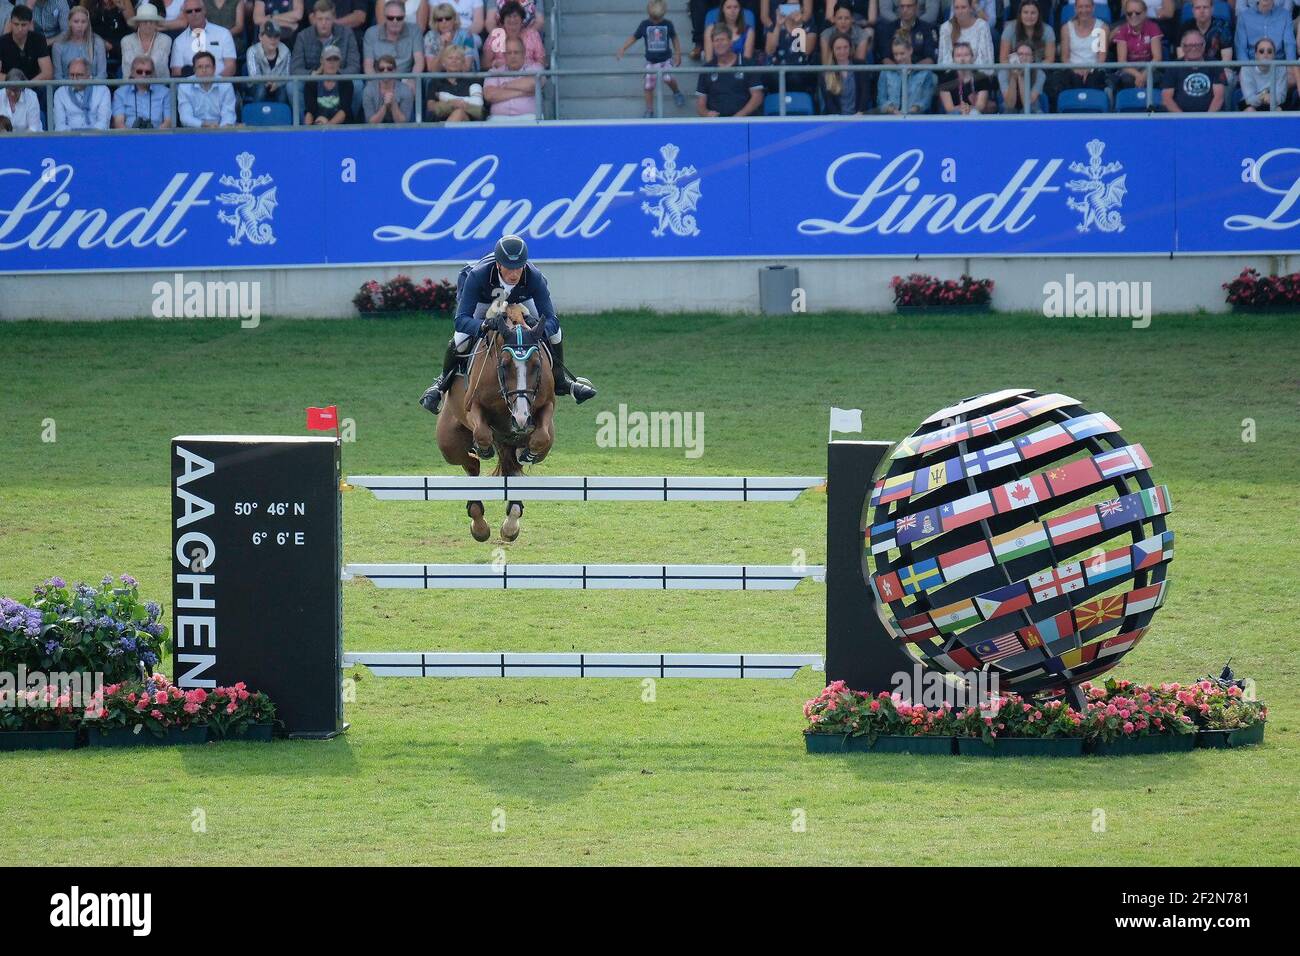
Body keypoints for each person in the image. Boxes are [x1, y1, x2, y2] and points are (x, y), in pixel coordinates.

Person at [420, 235, 597, 415]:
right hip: (485, 301)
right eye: (509, 268)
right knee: (460, 339)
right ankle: (440, 385)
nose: (514, 274)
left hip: (520, 300)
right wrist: (484, 325)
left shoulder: (534, 277)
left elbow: (552, 320)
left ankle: (561, 381)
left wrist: (535, 329)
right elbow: (461, 320)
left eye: (519, 268)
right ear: (498, 264)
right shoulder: (477, 275)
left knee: (556, 333)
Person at [617, 0, 683, 117]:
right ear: (648, 14)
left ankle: (676, 92)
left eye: (658, 19)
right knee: (648, 86)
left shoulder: (668, 24)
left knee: (668, 78)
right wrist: (623, 48)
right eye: (653, 19)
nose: (656, 22)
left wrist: (678, 53)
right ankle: (649, 110)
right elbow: (634, 37)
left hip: (665, 60)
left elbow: (674, 38)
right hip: (651, 61)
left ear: (663, 15)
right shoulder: (644, 25)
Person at [696, 23, 763, 115]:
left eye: (723, 40)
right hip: (718, 124)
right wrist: (707, 113)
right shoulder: (706, 69)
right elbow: (700, 105)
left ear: (731, 42)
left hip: (744, 123)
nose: (719, 44)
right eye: (716, 40)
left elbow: (757, 97)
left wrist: (739, 116)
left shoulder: (748, 64)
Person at [1235, 0, 1298, 94]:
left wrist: (1290, 66)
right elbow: (1241, 49)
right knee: (1243, 75)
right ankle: (1270, 96)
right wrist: (1247, 69)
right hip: (1254, 67)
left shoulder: (1285, 15)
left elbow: (1289, 45)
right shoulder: (1244, 16)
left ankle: (1265, 94)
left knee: (1293, 77)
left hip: (1278, 67)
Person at [998, 2, 1052, 109]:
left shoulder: (1048, 30)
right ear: (1020, 14)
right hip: (1012, 68)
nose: (1029, 16)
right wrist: (1015, 70)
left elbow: (1049, 60)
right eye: (1025, 12)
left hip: (1035, 70)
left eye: (1033, 13)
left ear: (1038, 15)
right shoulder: (1010, 29)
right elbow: (1003, 59)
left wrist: (1029, 68)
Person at [1054, 0, 1108, 106]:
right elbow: (1065, 57)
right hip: (1072, 69)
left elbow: (1101, 57)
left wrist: (1089, 69)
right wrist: (1075, 69)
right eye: (1080, 7)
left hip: (1094, 69)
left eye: (1087, 6)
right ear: (1075, 9)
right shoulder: (1066, 28)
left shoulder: (1103, 28)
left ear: (1093, 8)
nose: (1084, 10)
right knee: (1071, 79)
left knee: (1093, 79)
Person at [363, 0, 422, 95]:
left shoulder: (415, 31)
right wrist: (377, 83)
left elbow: (419, 62)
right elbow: (368, 65)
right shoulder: (371, 33)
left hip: (405, 78)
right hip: (380, 77)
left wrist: (412, 79)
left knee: (413, 87)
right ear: (385, 18)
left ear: (404, 17)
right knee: (370, 89)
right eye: (390, 18)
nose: (395, 21)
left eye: (399, 18)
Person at [1160, 28, 1224, 111]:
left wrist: (1207, 120)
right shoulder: (1173, 66)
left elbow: (1219, 97)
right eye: (1189, 45)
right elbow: (1167, 98)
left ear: (1204, 45)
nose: (1193, 48)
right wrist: (1184, 120)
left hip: (1210, 119)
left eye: (1197, 45)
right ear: (1182, 47)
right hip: (1180, 120)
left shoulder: (1215, 65)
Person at [764, 3, 817, 101]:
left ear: (801, 9)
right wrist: (778, 26)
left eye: (795, 7)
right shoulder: (774, 26)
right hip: (777, 71)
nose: (792, 11)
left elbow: (807, 51)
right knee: (774, 78)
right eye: (788, 7)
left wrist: (799, 26)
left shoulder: (809, 26)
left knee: (796, 78)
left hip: (800, 71)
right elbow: (769, 51)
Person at [292, 0, 360, 76]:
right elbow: (295, 69)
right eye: (320, 19)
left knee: (357, 83)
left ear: (334, 18)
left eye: (327, 19)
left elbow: (355, 66)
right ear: (314, 18)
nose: (323, 23)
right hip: (312, 79)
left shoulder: (347, 34)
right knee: (294, 85)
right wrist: (313, 73)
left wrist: (336, 73)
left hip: (340, 78)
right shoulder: (303, 36)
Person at [169, 0, 236, 76]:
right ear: (184, 15)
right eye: (189, 11)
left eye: (197, 10)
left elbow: (230, 67)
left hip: (221, 85)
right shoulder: (178, 42)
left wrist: (213, 83)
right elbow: (176, 72)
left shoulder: (224, 34)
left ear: (204, 11)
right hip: (190, 86)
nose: (194, 14)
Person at [875, 30, 934, 112]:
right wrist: (893, 111)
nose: (898, 58)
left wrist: (911, 112)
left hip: (915, 120)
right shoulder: (885, 72)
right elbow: (881, 100)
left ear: (910, 50)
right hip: (891, 119)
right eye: (895, 54)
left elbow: (926, 101)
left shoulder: (925, 73)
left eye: (902, 54)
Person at [483, 34, 539, 119]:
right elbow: (489, 95)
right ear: (504, 55)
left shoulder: (535, 68)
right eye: (509, 53)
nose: (513, 56)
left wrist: (504, 86)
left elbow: (532, 85)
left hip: (529, 118)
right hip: (498, 119)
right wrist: (523, 92)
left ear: (524, 54)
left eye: (516, 52)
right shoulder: (494, 72)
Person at [1112, 0, 1162, 90]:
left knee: (1153, 79)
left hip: (1149, 67)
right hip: (1129, 69)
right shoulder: (1122, 30)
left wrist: (1144, 74)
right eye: (1129, 13)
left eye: (1137, 13)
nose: (1133, 16)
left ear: (1145, 13)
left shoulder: (1153, 27)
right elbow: (1122, 62)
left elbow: (1157, 57)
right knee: (1127, 79)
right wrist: (1138, 75)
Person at [178, 47, 236, 123]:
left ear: (214, 68)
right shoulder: (185, 86)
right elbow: (185, 117)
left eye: (207, 66)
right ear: (194, 70)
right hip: (194, 131)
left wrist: (220, 129)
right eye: (200, 67)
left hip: (221, 130)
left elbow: (229, 115)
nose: (204, 70)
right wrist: (203, 125)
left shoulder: (226, 84)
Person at [111, 50, 171, 123]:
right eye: (139, 72)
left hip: (158, 134)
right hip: (129, 133)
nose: (144, 75)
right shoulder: (120, 93)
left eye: (148, 72)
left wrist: (155, 135)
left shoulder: (166, 93)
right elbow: (119, 124)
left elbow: (168, 122)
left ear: (152, 73)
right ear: (132, 72)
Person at [425, 42, 480, 119]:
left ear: (463, 63)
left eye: (458, 58)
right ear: (443, 63)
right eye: (450, 58)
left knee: (459, 113)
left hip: (465, 123)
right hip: (440, 121)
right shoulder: (434, 82)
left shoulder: (471, 81)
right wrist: (451, 104)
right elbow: (430, 107)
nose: (454, 61)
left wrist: (457, 105)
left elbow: (479, 109)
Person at [875, 0, 936, 67]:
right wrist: (899, 72)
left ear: (916, 7)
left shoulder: (927, 29)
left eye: (909, 6)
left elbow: (930, 58)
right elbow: (885, 58)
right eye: (902, 6)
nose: (905, 10)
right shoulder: (888, 29)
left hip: (920, 73)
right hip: (894, 73)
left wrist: (912, 71)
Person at [53, 55, 110, 126]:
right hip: (70, 136)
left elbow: (103, 123)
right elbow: (60, 126)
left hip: (96, 136)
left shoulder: (102, 91)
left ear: (89, 76)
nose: (74, 79)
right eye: (71, 75)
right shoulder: (60, 93)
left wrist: (88, 135)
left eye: (79, 75)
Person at [52, 2, 106, 77]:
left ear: (88, 23)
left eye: (83, 22)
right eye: (76, 22)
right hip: (66, 86)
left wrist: (91, 86)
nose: (80, 25)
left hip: (94, 86)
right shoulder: (59, 44)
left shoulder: (97, 42)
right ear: (69, 22)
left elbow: (102, 74)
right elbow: (57, 75)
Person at [1, 6, 55, 80]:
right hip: (8, 86)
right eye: (16, 24)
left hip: (33, 86)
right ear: (10, 23)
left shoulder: (38, 40)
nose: (19, 29)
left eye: (23, 25)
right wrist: (14, 82)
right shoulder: (2, 42)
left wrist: (27, 85)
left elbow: (48, 73)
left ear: (30, 24)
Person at [303, 40, 352, 120]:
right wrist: (309, 129)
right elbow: (310, 111)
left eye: (335, 59)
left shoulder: (346, 82)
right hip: (318, 123)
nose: (332, 63)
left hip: (341, 127)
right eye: (329, 59)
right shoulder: (311, 83)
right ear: (322, 61)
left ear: (340, 62)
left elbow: (344, 111)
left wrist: (328, 126)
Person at [485, 1, 543, 69]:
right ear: (503, 21)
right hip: (501, 75)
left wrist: (522, 65)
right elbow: (485, 64)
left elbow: (541, 62)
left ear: (522, 20)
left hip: (527, 73)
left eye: (515, 16)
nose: (512, 20)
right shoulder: (495, 36)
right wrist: (495, 64)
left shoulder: (532, 35)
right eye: (509, 17)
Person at [938, 38, 990, 113]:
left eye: (966, 55)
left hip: (974, 113)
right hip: (954, 114)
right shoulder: (945, 79)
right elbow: (949, 108)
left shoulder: (982, 77)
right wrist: (962, 109)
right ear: (953, 59)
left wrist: (969, 109)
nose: (962, 59)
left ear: (972, 57)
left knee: (975, 113)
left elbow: (980, 106)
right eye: (958, 56)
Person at [937, 0, 992, 70]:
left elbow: (986, 60)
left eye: (963, 7)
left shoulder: (982, 26)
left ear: (971, 9)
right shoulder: (945, 28)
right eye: (957, 8)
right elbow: (944, 61)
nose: (960, 11)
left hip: (977, 75)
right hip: (953, 76)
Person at [119, 2, 169, 77]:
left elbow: (157, 66)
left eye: (151, 21)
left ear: (156, 23)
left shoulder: (165, 40)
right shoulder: (126, 41)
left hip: (158, 84)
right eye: (145, 21)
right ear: (138, 23)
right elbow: (128, 68)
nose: (148, 24)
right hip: (131, 84)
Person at [423, 2, 479, 70]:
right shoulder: (430, 37)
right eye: (439, 19)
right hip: (438, 79)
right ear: (435, 22)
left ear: (454, 19)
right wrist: (443, 48)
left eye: (448, 18)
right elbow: (432, 69)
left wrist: (450, 46)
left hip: (463, 78)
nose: (444, 22)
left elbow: (466, 68)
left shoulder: (466, 35)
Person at [86, 0, 135, 76]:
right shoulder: (89, 3)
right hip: (96, 43)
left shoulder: (124, 1)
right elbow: (84, 26)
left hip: (120, 45)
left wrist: (123, 10)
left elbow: (134, 26)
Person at [1239, 35, 1286, 109]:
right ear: (1256, 55)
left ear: (1274, 55)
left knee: (1278, 110)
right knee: (1250, 110)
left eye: (1269, 51)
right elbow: (1249, 99)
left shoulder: (1281, 68)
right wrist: (1262, 97)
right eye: (1261, 51)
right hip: (1252, 105)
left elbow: (1281, 96)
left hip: (1273, 103)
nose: (1265, 54)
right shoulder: (1246, 68)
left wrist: (1271, 98)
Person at [246, 19, 289, 101]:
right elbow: (254, 76)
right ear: (260, 37)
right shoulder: (252, 51)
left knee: (283, 92)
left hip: (278, 85)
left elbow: (286, 74)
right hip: (257, 85)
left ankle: (280, 114)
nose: (273, 39)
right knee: (261, 89)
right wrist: (267, 82)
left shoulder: (286, 51)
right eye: (269, 36)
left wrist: (277, 84)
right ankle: (258, 113)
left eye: (276, 36)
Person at [363, 49, 411, 119]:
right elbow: (371, 123)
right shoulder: (368, 90)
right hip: (375, 130)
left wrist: (393, 103)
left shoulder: (405, 90)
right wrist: (385, 106)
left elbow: (403, 123)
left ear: (395, 70)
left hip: (399, 130)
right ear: (377, 71)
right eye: (381, 69)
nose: (385, 71)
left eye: (389, 69)